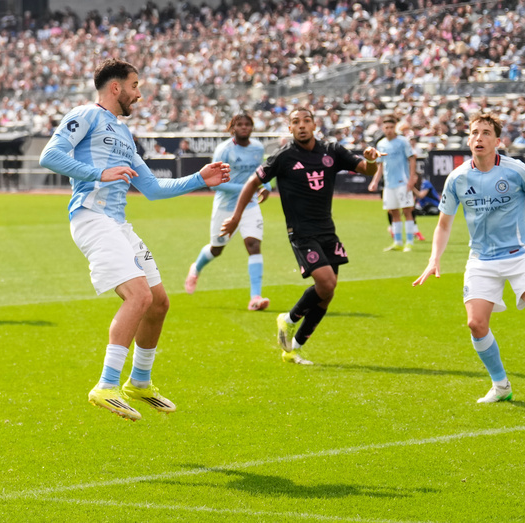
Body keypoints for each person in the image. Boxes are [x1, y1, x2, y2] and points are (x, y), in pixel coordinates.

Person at [39, 58, 230, 422]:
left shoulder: (125, 135)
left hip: (118, 224)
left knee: (158, 303)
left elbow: (154, 189)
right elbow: (50, 156)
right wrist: (99, 172)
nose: (139, 95)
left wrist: (199, 179)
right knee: (138, 295)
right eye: (135, 86)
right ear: (116, 88)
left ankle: (139, 381)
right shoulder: (87, 114)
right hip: (91, 217)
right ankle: (106, 385)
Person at [222, 107, 381, 365]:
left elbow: (366, 169)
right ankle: (288, 319)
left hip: (327, 230)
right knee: (327, 283)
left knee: (327, 293)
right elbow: (252, 182)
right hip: (301, 232)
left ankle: (292, 349)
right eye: (296, 122)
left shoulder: (331, 151)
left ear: (314, 124)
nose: (302, 126)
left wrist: (372, 160)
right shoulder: (284, 157)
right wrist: (237, 217)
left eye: (306, 120)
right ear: (290, 128)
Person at [413, 113, 525, 403]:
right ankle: (501, 386)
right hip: (481, 260)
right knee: (476, 324)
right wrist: (433, 259)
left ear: (497, 141)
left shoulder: (516, 171)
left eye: (486, 133)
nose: (479, 137)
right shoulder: (458, 178)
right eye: (475, 132)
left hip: (520, 255)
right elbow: (444, 224)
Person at [185, 113, 272, 311]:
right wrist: (247, 189)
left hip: (250, 205)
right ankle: (196, 268)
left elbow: (261, 171)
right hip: (225, 207)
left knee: (253, 245)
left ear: (252, 127)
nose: (243, 127)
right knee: (217, 249)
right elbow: (215, 185)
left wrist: (266, 185)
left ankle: (255, 297)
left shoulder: (258, 148)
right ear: (232, 128)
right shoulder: (223, 150)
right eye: (239, 124)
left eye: (247, 124)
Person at [367, 116, 420, 251]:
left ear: (395, 127)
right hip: (389, 184)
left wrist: (411, 178)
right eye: (386, 128)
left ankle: (409, 241)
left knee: (407, 210)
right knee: (393, 212)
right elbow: (380, 166)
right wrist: (374, 181)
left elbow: (412, 159)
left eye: (391, 127)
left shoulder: (402, 142)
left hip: (403, 182)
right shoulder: (381, 144)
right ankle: (398, 242)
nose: (389, 130)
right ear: (383, 129)